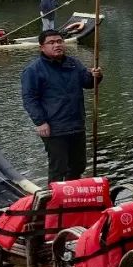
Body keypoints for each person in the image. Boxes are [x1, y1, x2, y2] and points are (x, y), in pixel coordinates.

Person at [20, 30, 102, 183]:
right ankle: (54, 201)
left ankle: (72, 194)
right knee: (59, 167)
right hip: (54, 127)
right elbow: (29, 99)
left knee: (78, 165)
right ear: (41, 47)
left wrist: (95, 76)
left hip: (77, 123)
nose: (57, 45)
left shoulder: (73, 63)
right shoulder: (33, 70)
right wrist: (40, 122)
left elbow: (88, 83)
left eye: (59, 41)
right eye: (51, 42)